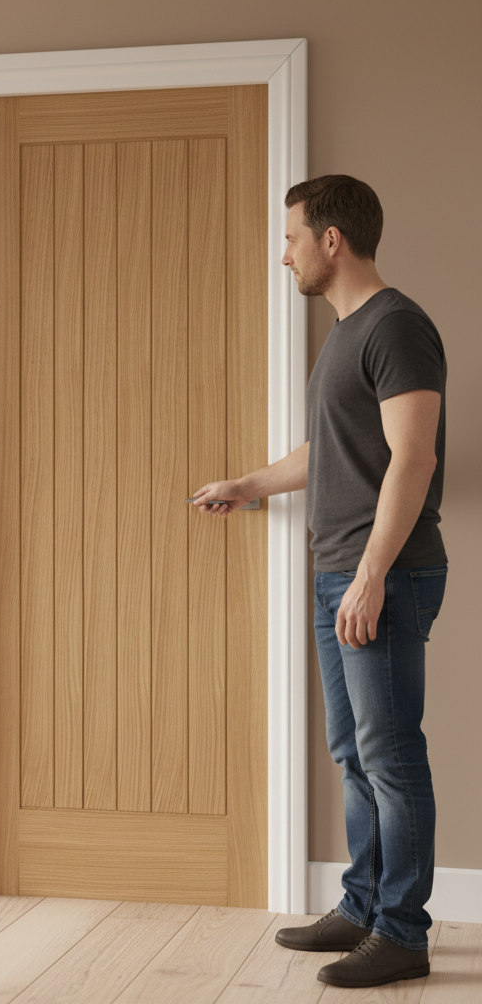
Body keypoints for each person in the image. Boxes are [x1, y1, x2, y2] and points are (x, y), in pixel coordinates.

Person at [190, 175, 446, 990]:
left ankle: (401, 932)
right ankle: (364, 904)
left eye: (292, 237)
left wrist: (372, 575)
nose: (284, 254)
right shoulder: (345, 334)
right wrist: (246, 482)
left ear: (332, 240)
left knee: (390, 754)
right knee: (353, 752)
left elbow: (416, 456)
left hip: (384, 575)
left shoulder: (397, 326)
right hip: (337, 568)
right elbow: (328, 453)